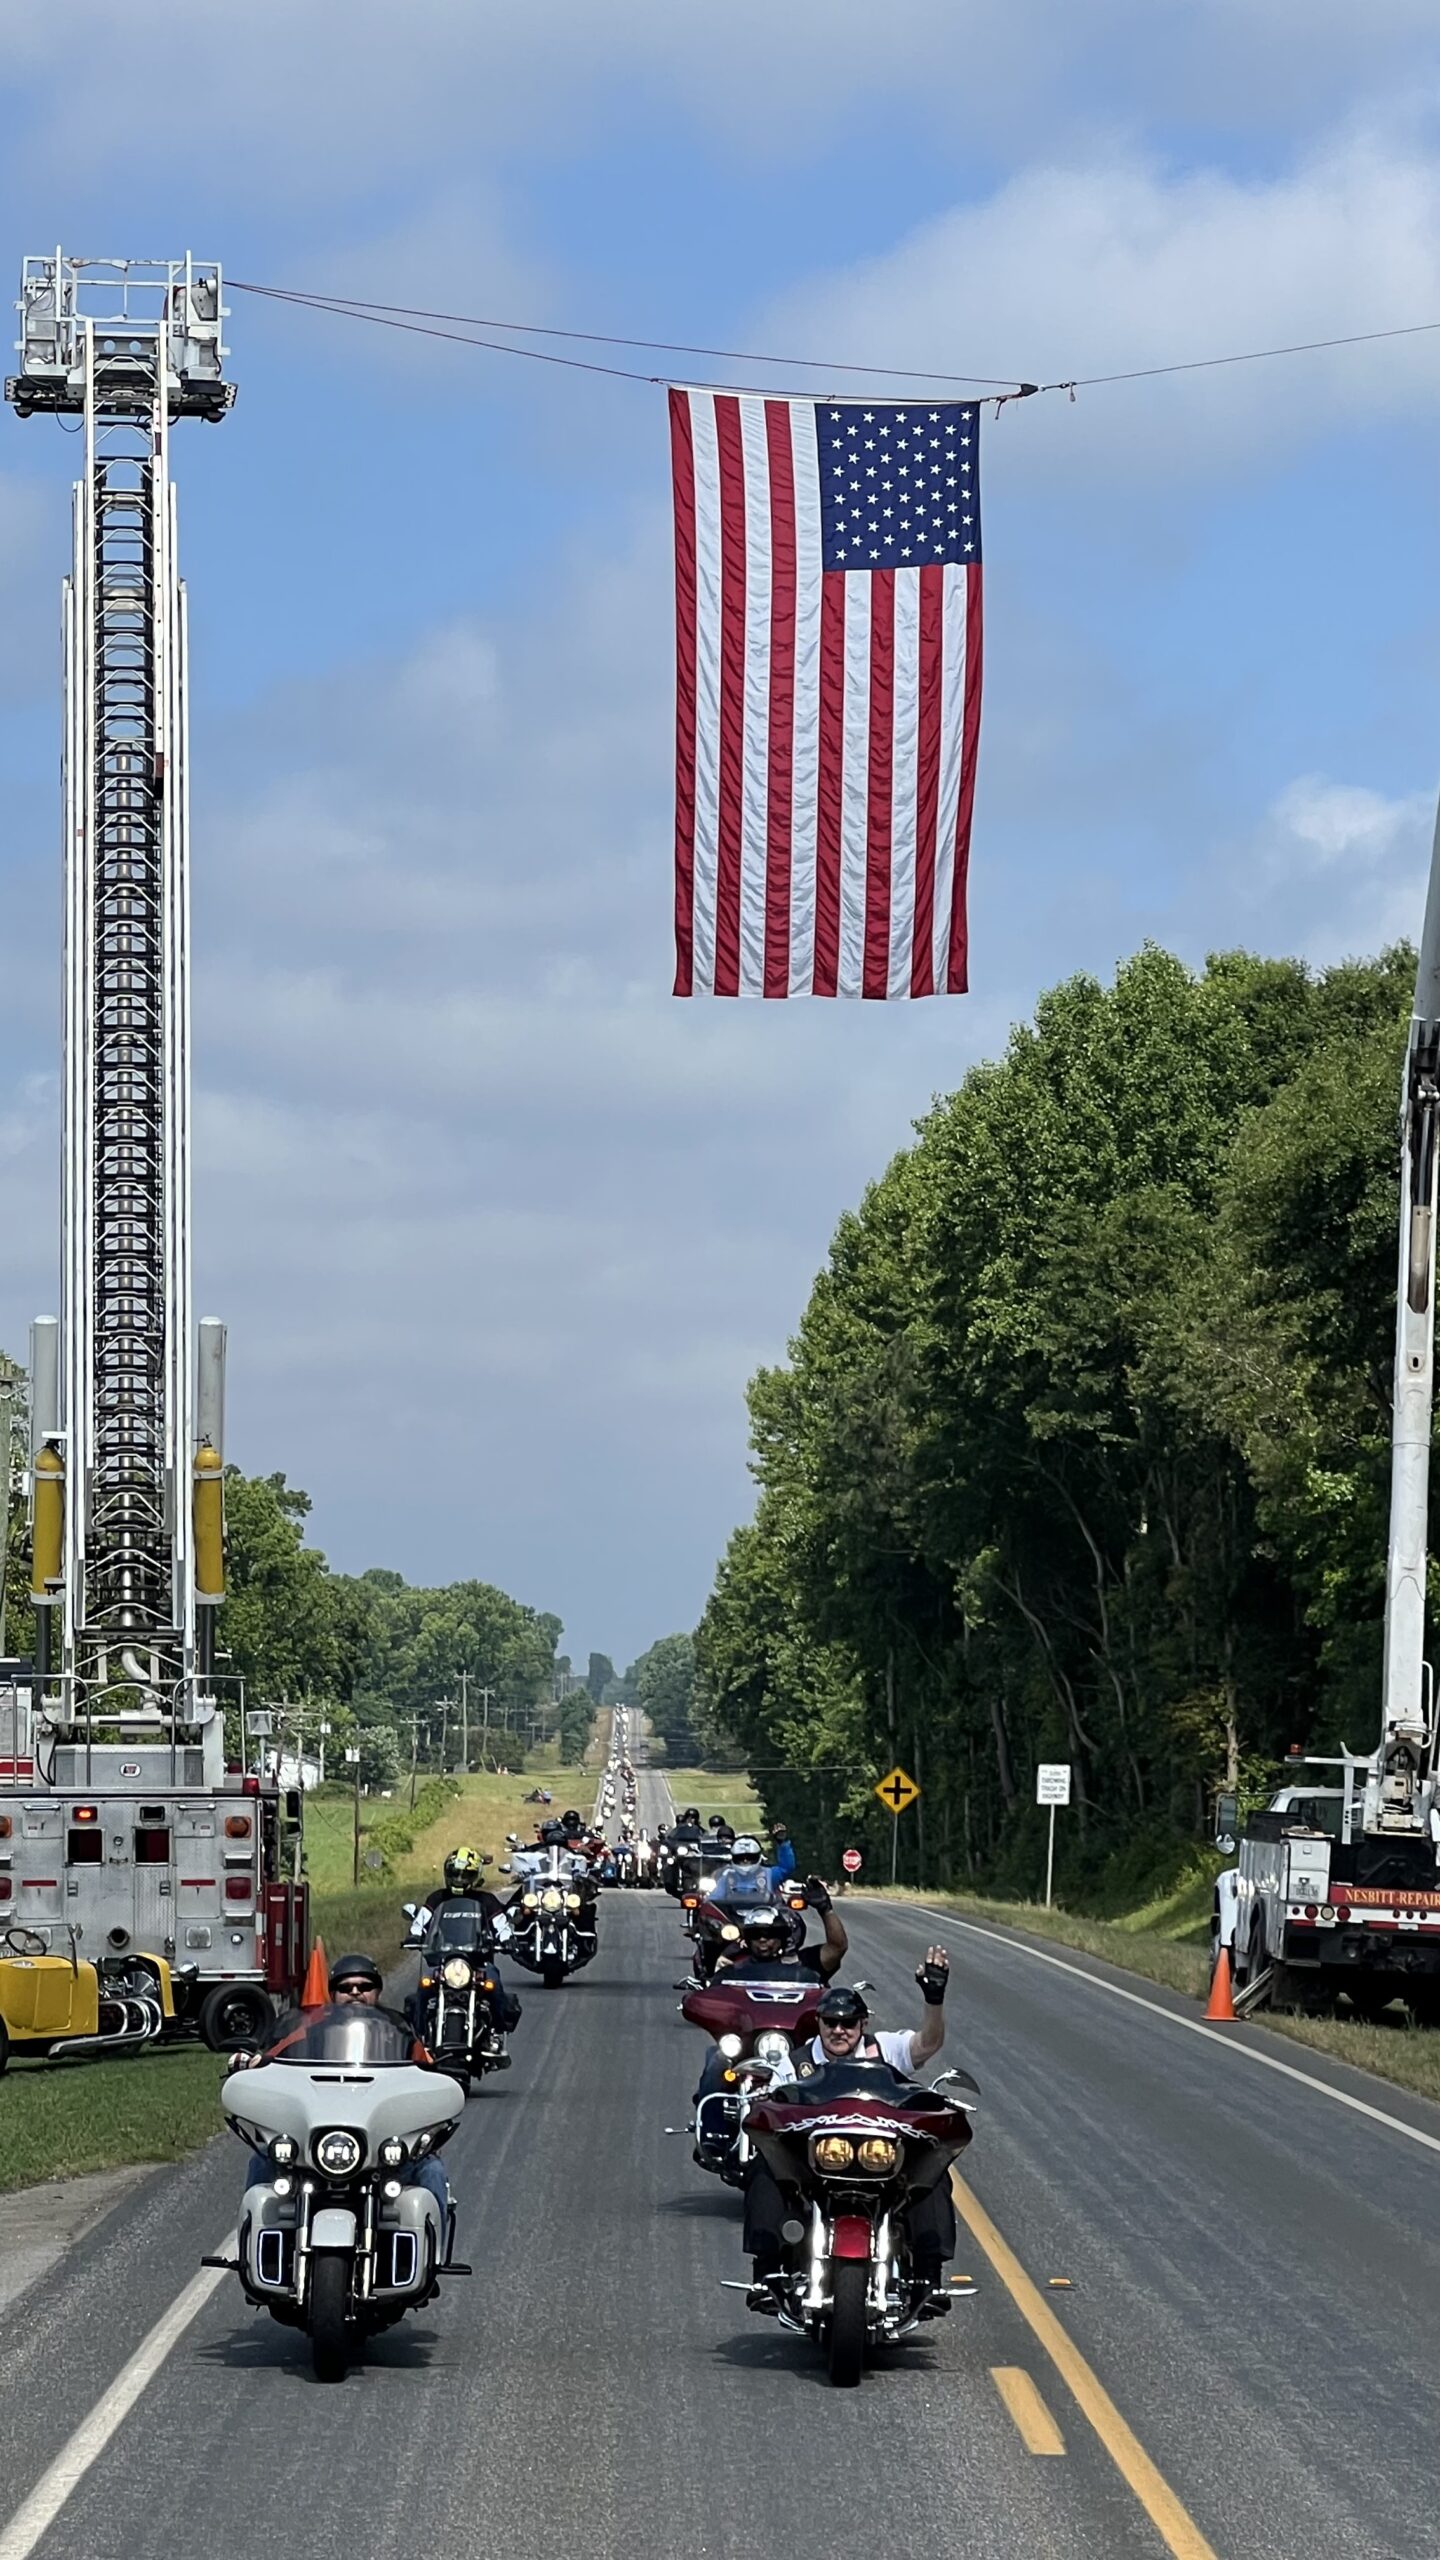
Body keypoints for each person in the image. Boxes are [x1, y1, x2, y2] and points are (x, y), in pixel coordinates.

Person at [743, 1950, 955, 2298]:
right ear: (819, 2023)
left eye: (849, 2023)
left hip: (880, 2161)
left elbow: (927, 2043)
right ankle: (766, 2271)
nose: (839, 2030)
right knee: (762, 2168)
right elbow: (771, 2103)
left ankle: (929, 2276)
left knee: (932, 2174)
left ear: (863, 2024)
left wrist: (935, 1998)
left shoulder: (883, 2049)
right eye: (831, 2022)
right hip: (815, 2164)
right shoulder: (794, 2064)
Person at [237, 1953, 450, 2218]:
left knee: (432, 2170)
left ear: (378, 1991)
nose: (355, 1993)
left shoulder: (400, 2029)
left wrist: (437, 2084)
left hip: (384, 2151)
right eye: (345, 1988)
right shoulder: (308, 2028)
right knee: (262, 2162)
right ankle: (252, 2251)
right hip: (318, 2144)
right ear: (333, 1993)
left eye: (364, 1986)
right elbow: (273, 2055)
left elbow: (428, 2068)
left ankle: (436, 2258)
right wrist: (254, 2062)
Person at [405, 1847, 522, 2042]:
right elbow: (421, 1921)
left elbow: (501, 1924)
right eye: (455, 1874)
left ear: (476, 1877)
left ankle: (496, 2033)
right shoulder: (437, 1898)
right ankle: (418, 2038)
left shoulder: (487, 1900)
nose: (459, 1880)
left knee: (494, 1986)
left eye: (465, 1875)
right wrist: (414, 1936)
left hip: (479, 1962)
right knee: (423, 1989)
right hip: (442, 1962)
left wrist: (507, 1939)